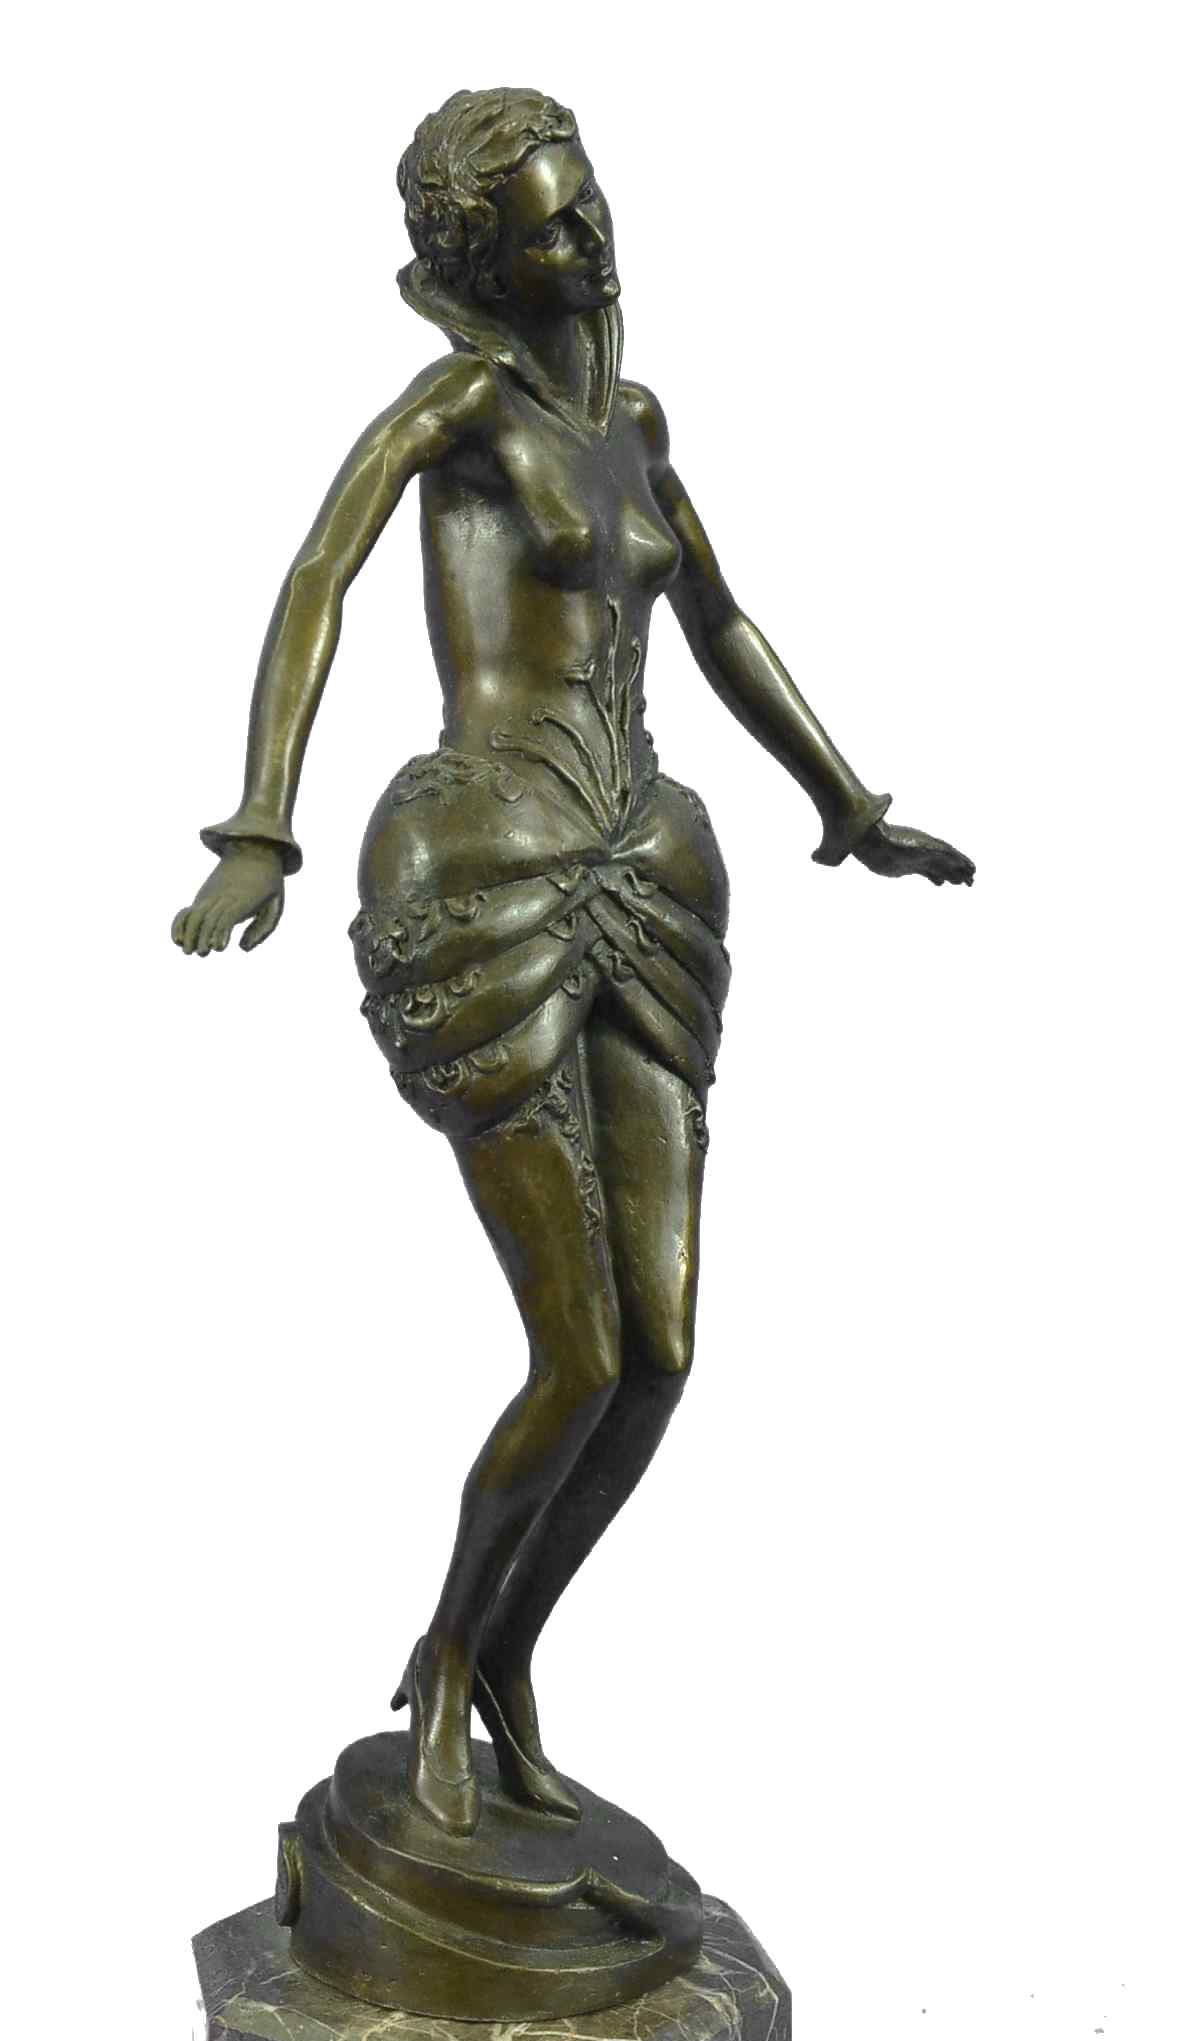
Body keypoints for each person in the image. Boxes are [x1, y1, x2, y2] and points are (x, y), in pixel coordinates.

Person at [172, 87, 974, 1837]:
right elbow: (316, 575)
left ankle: (507, 1652)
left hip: (651, 866)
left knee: (661, 1348)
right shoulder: (459, 408)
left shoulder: (637, 423)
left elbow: (722, 617)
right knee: (577, 1352)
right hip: (489, 868)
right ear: (482, 260)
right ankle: (452, 1652)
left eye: (589, 202)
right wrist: (261, 825)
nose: (589, 241)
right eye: (548, 226)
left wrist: (850, 804)